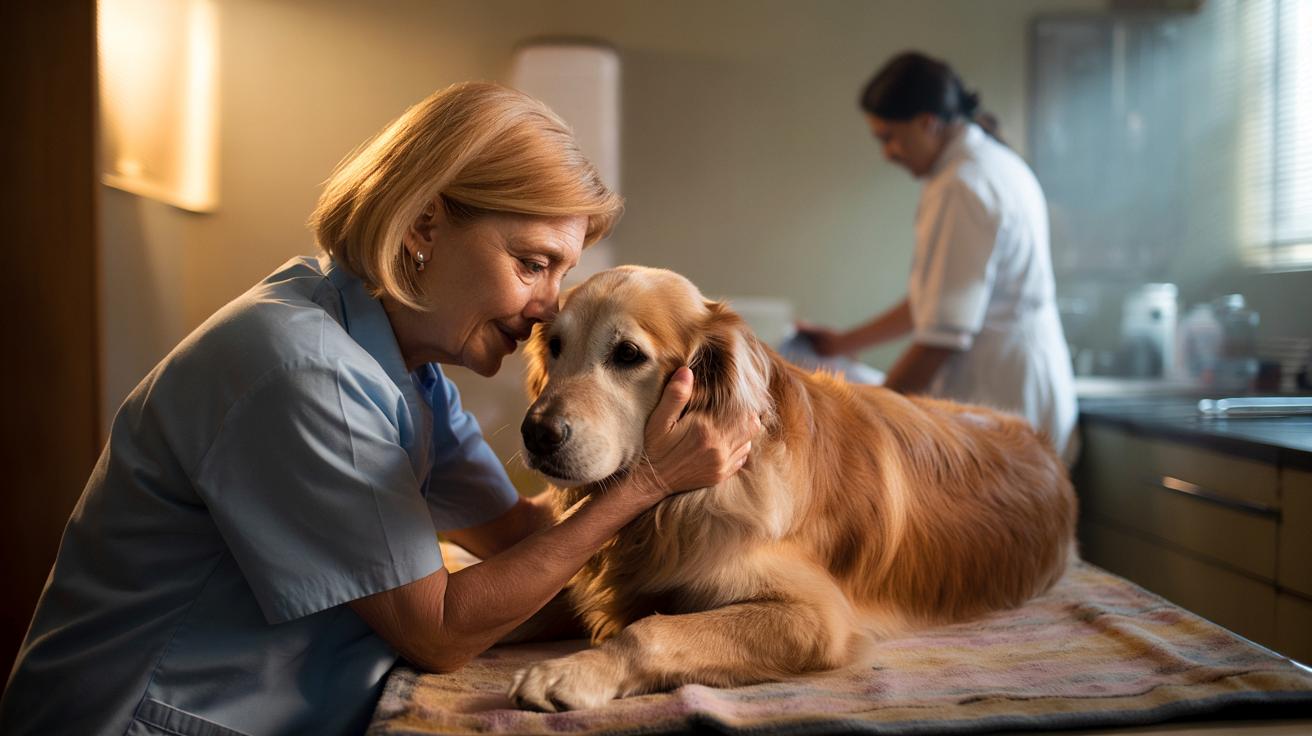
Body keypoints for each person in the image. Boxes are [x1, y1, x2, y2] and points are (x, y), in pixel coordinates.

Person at [0, 82, 759, 736]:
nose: (546, 310)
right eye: (532, 264)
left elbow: (520, 537)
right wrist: (645, 485)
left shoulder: (400, 361)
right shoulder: (301, 369)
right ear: (425, 226)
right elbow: (441, 632)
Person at [796, 51, 1077, 462]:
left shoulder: (961, 186)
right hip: (1027, 388)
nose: (887, 153)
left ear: (927, 122)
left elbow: (940, 339)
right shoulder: (992, 163)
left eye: (888, 137)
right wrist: (842, 343)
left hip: (1001, 400)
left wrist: (861, 421)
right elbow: (934, 301)